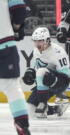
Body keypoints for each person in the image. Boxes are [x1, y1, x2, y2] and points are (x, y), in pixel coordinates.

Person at [23, 27, 70, 118]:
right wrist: (31, 73)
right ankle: (56, 109)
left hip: (61, 80)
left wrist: (58, 90)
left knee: (42, 72)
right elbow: (37, 68)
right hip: (45, 80)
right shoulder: (36, 50)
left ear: (47, 40)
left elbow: (66, 76)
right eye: (35, 41)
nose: (37, 44)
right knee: (30, 110)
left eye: (40, 41)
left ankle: (45, 102)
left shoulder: (58, 52)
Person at [0, 0, 31, 134]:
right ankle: (21, 124)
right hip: (4, 44)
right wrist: (16, 27)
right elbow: (19, 9)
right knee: (12, 87)